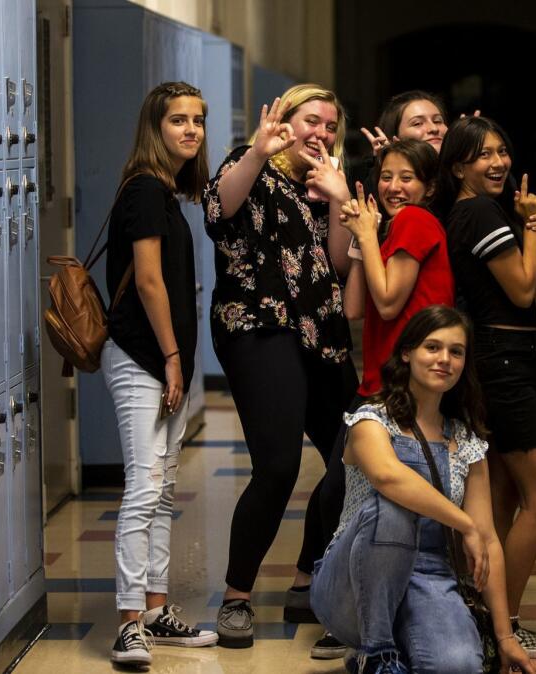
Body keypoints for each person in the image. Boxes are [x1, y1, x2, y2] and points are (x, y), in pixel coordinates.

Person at [203, 84, 359, 648]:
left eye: (331, 125)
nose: (322, 132)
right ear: (284, 119)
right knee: (278, 466)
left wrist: (340, 198)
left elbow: (340, 264)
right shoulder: (249, 165)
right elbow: (219, 211)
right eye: (312, 120)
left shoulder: (324, 185)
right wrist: (258, 152)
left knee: (358, 450)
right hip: (258, 327)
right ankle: (237, 597)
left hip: (321, 333)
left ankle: (306, 573)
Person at [310, 305, 536, 674]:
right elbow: (389, 478)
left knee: (458, 666)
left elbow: (489, 541)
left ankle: (401, 645)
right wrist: (463, 524)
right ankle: (378, 655)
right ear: (407, 352)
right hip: (350, 580)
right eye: (432, 347)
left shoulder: (465, 440)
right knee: (394, 509)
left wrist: (505, 637)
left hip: (428, 576)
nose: (444, 359)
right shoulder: (372, 419)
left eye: (456, 351)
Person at [304, 138, 456, 660]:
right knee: (344, 498)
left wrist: (369, 236)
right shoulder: (388, 230)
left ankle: (380, 622)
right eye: (387, 176)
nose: (395, 187)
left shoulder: (416, 222)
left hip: (409, 390)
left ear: (429, 187)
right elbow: (354, 308)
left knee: (381, 504)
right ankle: (365, 610)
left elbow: (389, 300)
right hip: (379, 386)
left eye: (408, 177)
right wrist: (360, 239)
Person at [434, 117, 536, 659]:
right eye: (483, 154)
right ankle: (498, 622)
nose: (498, 162)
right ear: (459, 166)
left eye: (502, 151)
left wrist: (529, 229)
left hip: (505, 359)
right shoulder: (481, 211)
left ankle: (484, 618)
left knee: (507, 497)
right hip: (502, 363)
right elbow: (524, 287)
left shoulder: (473, 211)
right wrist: (532, 229)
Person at [101, 81, 218, 667]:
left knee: (164, 489)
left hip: (165, 360)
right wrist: (173, 358)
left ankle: (155, 608)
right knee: (144, 489)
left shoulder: (168, 192)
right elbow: (148, 282)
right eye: (177, 120)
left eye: (197, 120)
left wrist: (178, 360)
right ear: (156, 128)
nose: (190, 130)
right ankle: (127, 621)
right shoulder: (146, 191)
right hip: (140, 358)